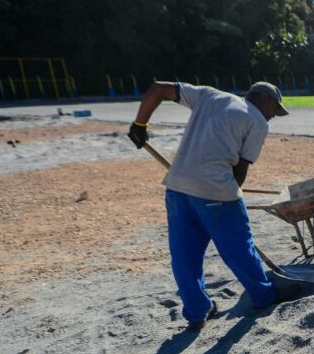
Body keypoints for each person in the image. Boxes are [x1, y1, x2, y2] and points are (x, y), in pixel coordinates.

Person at [127, 81, 301, 330]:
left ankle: (197, 312)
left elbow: (157, 88)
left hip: (178, 188)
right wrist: (232, 196)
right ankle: (263, 295)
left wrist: (140, 125)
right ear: (263, 99)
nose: (274, 115)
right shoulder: (258, 122)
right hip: (215, 191)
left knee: (185, 256)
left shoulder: (210, 95)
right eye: (275, 109)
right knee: (240, 246)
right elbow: (240, 172)